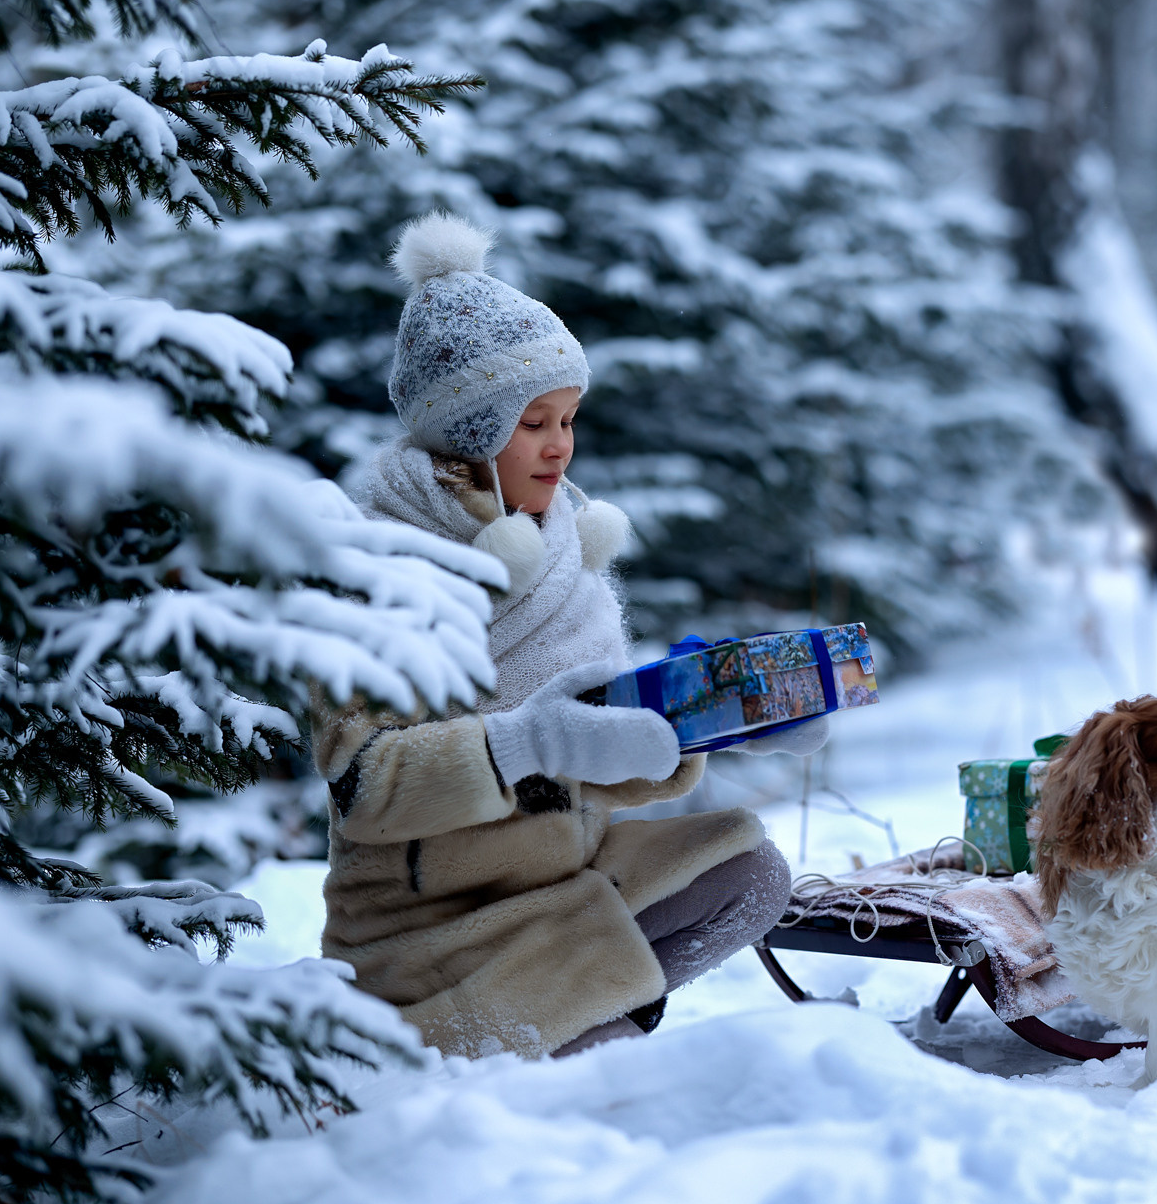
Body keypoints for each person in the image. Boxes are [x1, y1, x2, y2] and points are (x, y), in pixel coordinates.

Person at [312, 214, 820, 1059]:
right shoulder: (373, 569)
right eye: (534, 422)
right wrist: (535, 737)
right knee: (610, 1063)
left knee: (749, 873)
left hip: (555, 874)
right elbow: (368, 789)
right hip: (429, 927)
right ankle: (514, 1027)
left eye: (568, 419)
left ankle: (581, 1008)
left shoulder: (558, 546)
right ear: (471, 432)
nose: (561, 447)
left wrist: (712, 728)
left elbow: (594, 763)